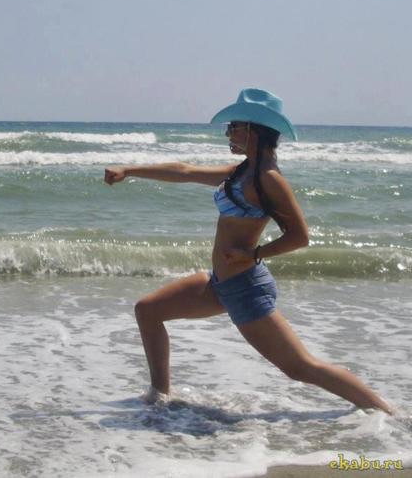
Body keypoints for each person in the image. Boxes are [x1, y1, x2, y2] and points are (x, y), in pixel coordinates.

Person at [104, 88, 392, 413]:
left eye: (234, 126)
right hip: (220, 284)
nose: (228, 132)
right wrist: (130, 170)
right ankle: (159, 397)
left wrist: (253, 255)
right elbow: (185, 171)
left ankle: (389, 414)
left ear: (253, 129)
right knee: (148, 310)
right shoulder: (243, 170)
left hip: (245, 288)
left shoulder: (269, 179)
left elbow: (299, 236)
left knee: (300, 367)